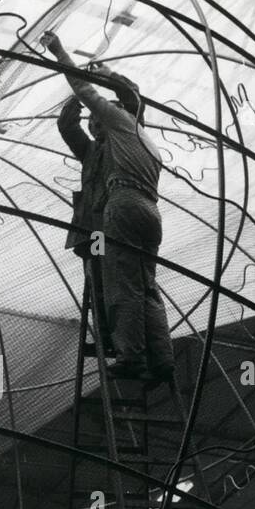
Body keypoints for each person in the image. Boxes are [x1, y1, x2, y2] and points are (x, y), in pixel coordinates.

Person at [42, 29, 174, 386]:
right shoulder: (104, 150)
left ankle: (130, 353)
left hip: (117, 217)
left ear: (106, 120)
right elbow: (68, 128)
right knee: (117, 282)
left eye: (95, 119)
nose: (93, 124)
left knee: (120, 284)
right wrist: (71, 106)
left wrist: (84, 75)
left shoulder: (120, 133)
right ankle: (145, 351)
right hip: (101, 227)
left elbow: (129, 97)